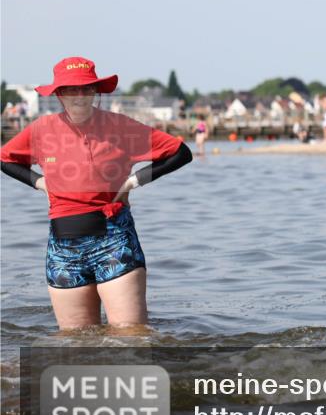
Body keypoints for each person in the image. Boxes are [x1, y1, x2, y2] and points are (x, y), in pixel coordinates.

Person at [0, 57, 192, 331]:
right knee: (76, 343)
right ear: (58, 94)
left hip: (114, 239)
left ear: (95, 92)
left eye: (85, 89)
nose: (78, 96)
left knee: (130, 336)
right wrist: (40, 183)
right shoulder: (42, 130)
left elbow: (180, 153)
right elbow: (5, 159)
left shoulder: (121, 127)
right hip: (63, 247)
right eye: (70, 90)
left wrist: (132, 182)